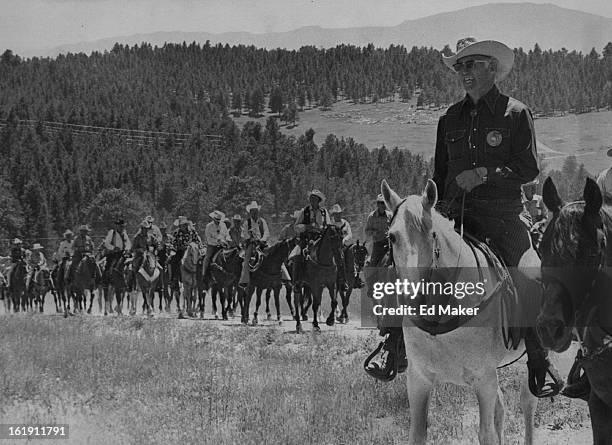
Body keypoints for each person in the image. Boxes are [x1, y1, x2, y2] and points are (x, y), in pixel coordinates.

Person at [368, 38, 557, 398]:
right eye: (460, 67)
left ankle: (538, 357)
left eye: (471, 65)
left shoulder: (515, 113)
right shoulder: (448, 119)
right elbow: (439, 175)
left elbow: (528, 166)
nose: (464, 73)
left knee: (529, 272)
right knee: (407, 265)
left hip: (502, 218)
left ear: (492, 67)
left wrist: (485, 174)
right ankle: (392, 344)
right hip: (453, 216)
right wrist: (426, 210)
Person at [291, 190, 334, 288]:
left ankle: (337, 279)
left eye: (314, 198)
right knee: (297, 255)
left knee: (337, 253)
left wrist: (322, 228)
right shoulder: (305, 211)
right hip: (306, 238)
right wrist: (306, 227)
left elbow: (329, 226)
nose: (312, 200)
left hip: (321, 238)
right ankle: (297, 281)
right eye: (311, 198)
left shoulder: (324, 212)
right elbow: (296, 226)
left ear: (318, 200)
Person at [239, 201, 270, 286]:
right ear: (250, 212)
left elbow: (267, 232)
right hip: (252, 244)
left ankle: (283, 276)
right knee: (247, 258)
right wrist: (250, 239)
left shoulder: (262, 221)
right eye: (253, 211)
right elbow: (244, 234)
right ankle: (244, 280)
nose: (254, 213)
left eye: (256, 211)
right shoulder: (247, 223)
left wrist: (262, 240)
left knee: (274, 253)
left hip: (263, 243)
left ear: (258, 211)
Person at [202, 210, 231, 280]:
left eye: (219, 220)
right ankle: (204, 274)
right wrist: (218, 242)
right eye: (216, 220)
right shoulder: (208, 226)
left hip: (223, 245)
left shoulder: (223, 225)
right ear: (213, 219)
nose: (218, 221)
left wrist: (227, 240)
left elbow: (227, 235)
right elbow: (208, 239)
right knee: (207, 258)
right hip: (212, 246)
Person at [364, 195, 391, 266]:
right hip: (378, 245)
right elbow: (367, 231)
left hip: (389, 244)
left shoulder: (390, 215)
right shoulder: (371, 216)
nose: (384, 205)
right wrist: (374, 233)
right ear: (378, 204)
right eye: (382, 203)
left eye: (385, 203)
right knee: (372, 265)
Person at [102, 219, 132, 285]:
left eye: (122, 226)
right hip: (114, 253)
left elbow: (128, 243)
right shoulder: (112, 233)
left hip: (123, 253)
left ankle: (131, 281)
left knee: (131, 264)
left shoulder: (124, 233)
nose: (121, 228)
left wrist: (127, 249)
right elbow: (107, 243)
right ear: (117, 226)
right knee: (109, 265)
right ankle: (106, 280)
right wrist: (113, 248)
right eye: (120, 226)